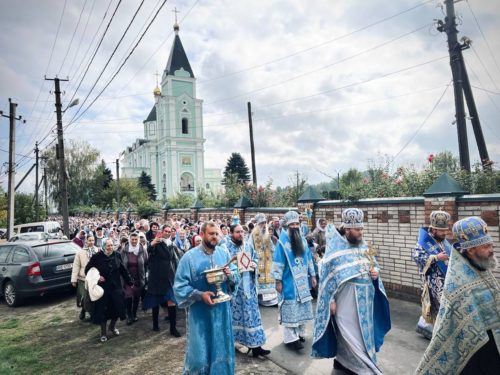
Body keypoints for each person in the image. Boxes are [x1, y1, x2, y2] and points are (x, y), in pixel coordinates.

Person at [416, 216, 500, 375]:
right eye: (486, 246)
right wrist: (434, 258)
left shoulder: (481, 269)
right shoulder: (459, 286)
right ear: (470, 249)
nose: (492, 249)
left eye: (492, 245)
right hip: (475, 353)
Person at [312, 208, 391, 375]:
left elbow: (373, 264)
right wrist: (330, 300)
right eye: (358, 229)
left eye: (362, 229)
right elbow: (327, 277)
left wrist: (376, 273)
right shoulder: (335, 249)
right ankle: (365, 369)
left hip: (366, 302)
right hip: (346, 302)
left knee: (363, 338)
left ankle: (346, 363)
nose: (361, 232)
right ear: (347, 230)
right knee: (350, 336)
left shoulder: (365, 246)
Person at [174, 221, 240, 374]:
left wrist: (231, 276)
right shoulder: (189, 258)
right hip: (200, 314)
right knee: (199, 356)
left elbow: (235, 275)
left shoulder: (223, 254)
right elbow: (179, 286)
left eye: (217, 234)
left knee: (222, 348)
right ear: (202, 234)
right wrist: (199, 295)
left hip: (222, 312)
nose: (214, 237)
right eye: (211, 234)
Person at [271, 210, 317, 351]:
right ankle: (291, 339)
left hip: (303, 281)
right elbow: (278, 262)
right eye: (293, 224)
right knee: (291, 307)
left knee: (301, 308)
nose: (296, 226)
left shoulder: (302, 240)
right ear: (287, 226)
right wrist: (277, 281)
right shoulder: (282, 243)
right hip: (289, 282)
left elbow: (309, 259)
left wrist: (313, 276)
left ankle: (300, 333)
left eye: (297, 223)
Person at [227, 224, 271, 357]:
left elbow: (256, 259)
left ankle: (256, 346)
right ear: (231, 233)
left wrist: (253, 265)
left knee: (252, 317)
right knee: (237, 319)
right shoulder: (225, 247)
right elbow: (224, 264)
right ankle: (234, 343)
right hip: (235, 290)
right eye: (237, 232)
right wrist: (233, 266)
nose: (241, 234)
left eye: (242, 232)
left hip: (249, 288)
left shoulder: (248, 246)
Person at [411, 210, 452, 339]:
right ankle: (435, 333)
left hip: (446, 280)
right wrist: (435, 258)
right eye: (442, 231)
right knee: (436, 307)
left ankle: (443, 332)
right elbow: (416, 257)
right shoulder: (424, 241)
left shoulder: (443, 240)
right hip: (432, 282)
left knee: (444, 307)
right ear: (433, 230)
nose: (445, 233)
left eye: (446, 230)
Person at [85, 239, 133, 343]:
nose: (110, 247)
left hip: (116, 287)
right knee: (104, 311)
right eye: (108, 246)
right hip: (103, 289)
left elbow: (123, 270)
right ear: (103, 246)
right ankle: (103, 333)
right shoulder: (96, 257)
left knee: (117, 308)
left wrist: (130, 281)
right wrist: (97, 277)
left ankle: (112, 327)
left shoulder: (117, 255)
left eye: (111, 245)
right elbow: (87, 270)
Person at [144, 225, 181, 336]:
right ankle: (155, 324)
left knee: (172, 301)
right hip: (156, 276)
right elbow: (148, 249)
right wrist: (153, 243)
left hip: (169, 276)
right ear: (162, 231)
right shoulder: (156, 242)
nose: (168, 233)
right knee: (156, 301)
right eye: (166, 231)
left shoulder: (172, 244)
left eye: (170, 231)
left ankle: (173, 328)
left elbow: (175, 259)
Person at [248, 213, 278, 306]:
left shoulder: (266, 233)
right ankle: (261, 299)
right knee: (260, 279)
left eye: (264, 223)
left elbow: (271, 246)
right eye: (261, 223)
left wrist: (274, 253)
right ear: (257, 224)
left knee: (270, 278)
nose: (263, 225)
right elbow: (250, 247)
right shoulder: (253, 234)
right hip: (259, 260)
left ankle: (272, 299)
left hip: (268, 260)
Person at [120, 232, 148, 325]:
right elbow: (121, 264)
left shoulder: (142, 250)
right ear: (129, 239)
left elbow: (146, 263)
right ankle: (129, 315)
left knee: (136, 296)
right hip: (127, 277)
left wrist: (144, 277)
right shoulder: (124, 250)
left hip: (139, 277)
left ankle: (134, 313)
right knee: (128, 296)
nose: (134, 241)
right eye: (132, 239)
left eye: (136, 239)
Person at [71, 235, 99, 320]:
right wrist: (74, 280)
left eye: (93, 240)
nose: (91, 242)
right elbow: (76, 266)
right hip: (83, 279)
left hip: (94, 278)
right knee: (85, 297)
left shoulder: (97, 250)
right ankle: (87, 312)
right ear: (86, 241)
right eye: (90, 240)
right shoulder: (80, 252)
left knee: (93, 296)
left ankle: (88, 311)